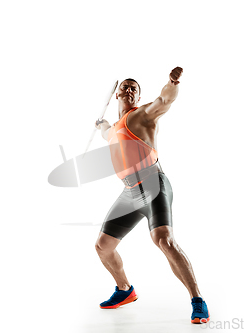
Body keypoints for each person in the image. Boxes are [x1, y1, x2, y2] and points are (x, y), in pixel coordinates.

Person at [93, 67, 210, 324]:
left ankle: (197, 300)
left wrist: (172, 83)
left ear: (137, 96)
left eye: (134, 88)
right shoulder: (112, 129)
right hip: (130, 192)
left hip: (153, 183)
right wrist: (101, 125)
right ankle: (125, 290)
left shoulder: (142, 115)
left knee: (164, 240)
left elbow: (164, 100)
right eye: (125, 86)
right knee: (103, 246)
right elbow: (106, 132)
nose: (129, 89)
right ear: (117, 95)